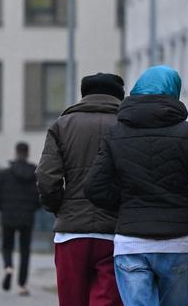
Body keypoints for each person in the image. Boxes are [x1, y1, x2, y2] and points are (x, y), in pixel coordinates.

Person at [86, 66, 188, 306]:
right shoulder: (187, 132)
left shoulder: (117, 133)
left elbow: (94, 187)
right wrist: (179, 199)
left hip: (132, 242)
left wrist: (128, 202)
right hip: (178, 241)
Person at [37, 72, 126, 306]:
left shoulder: (62, 125)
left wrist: (60, 208)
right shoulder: (128, 125)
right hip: (115, 232)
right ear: (120, 95)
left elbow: (47, 177)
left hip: (72, 232)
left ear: (83, 94)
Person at [0, 141, 41, 296]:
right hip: (27, 216)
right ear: (28, 153)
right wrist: (33, 208)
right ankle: (22, 285)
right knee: (25, 250)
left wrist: (2, 207)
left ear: (16, 153)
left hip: (8, 215)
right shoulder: (35, 174)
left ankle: (8, 267)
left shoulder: (4, 174)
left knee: (7, 246)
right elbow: (42, 194)